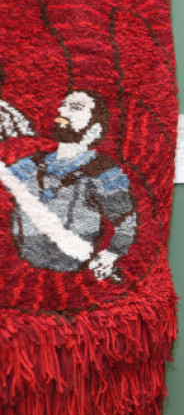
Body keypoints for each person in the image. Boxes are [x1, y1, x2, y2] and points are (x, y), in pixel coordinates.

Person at [0, 89, 137, 281]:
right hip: (20, 271)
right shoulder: (31, 164)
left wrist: (112, 253)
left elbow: (126, 222)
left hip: (74, 272)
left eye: (75, 108)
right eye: (63, 105)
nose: (62, 111)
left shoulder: (103, 171)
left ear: (95, 129)